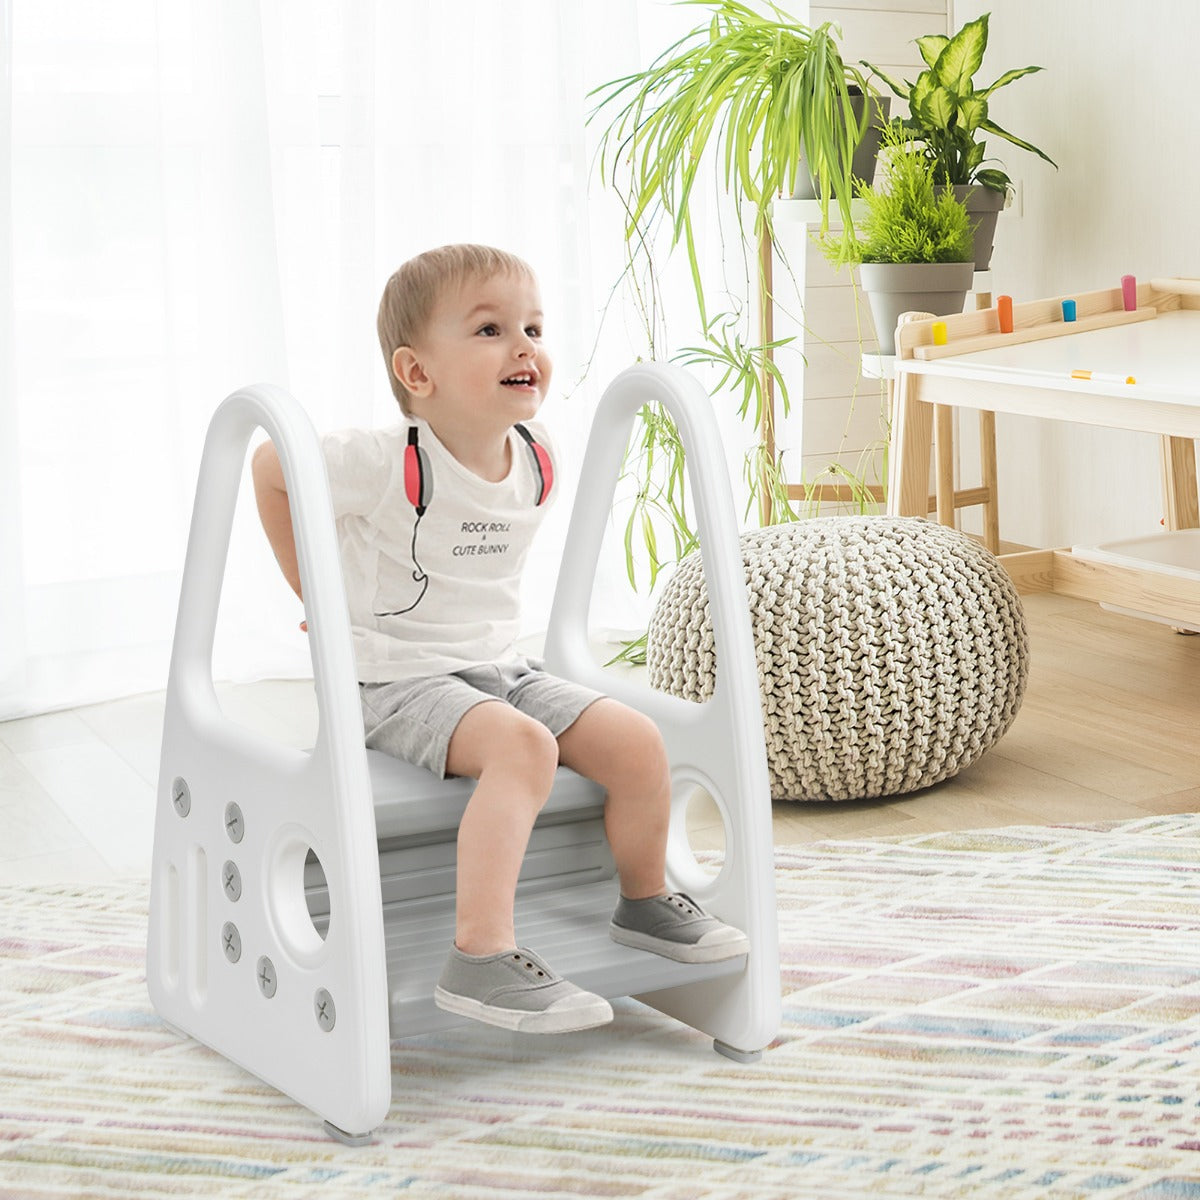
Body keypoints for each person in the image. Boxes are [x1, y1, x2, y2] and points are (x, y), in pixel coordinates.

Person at [251, 243, 748, 1035]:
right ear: (419, 374)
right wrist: (314, 591)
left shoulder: (536, 455)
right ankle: (478, 956)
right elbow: (271, 464)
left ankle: (645, 901)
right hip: (393, 680)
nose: (525, 347)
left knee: (637, 743)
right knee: (525, 752)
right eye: (489, 330)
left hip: (497, 667)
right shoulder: (386, 458)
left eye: (533, 327)